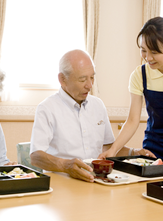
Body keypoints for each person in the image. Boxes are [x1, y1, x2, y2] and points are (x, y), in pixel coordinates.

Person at [29, 49, 153, 182]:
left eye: (92, 77)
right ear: (62, 79)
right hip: (63, 182)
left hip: (96, 180)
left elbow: (107, 147)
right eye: (82, 79)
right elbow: (36, 156)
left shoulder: (97, 105)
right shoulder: (47, 108)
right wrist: (65, 165)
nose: (89, 85)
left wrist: (134, 153)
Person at [98, 17, 163, 178]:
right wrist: (113, 149)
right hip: (153, 152)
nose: (148, 57)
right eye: (143, 50)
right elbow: (132, 120)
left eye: (155, 52)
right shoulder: (140, 75)